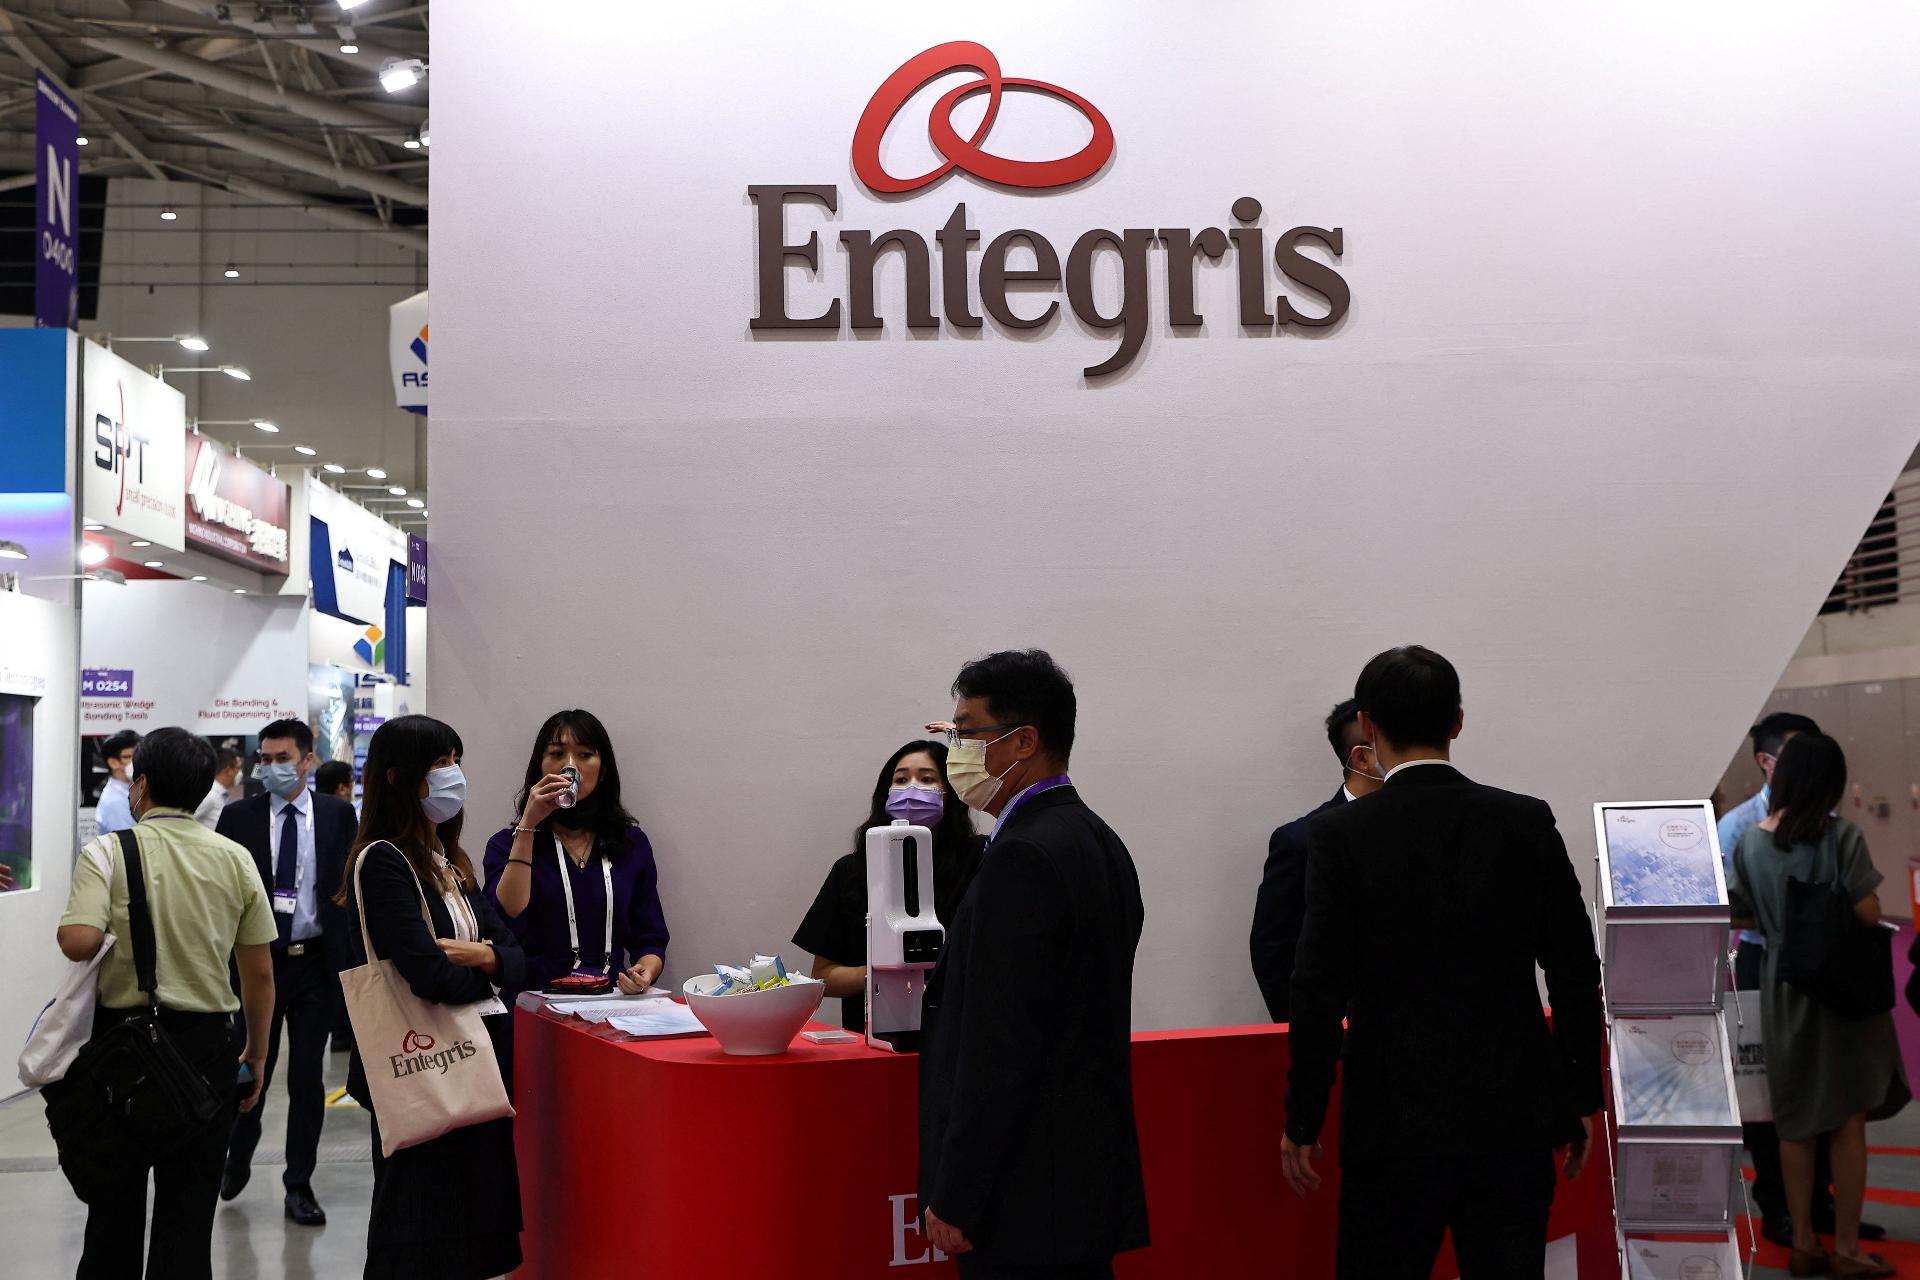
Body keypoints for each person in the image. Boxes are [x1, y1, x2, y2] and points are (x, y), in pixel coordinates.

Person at [1281, 646, 1604, 1278]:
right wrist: (1580, 1097)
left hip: (1391, 1125)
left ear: (1368, 726)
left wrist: (1303, 1117)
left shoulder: (1342, 835)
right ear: (1457, 721)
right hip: (1511, 1122)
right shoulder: (1525, 821)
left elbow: (1317, 986)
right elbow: (1573, 970)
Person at [917, 649, 1148, 1278]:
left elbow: (1000, 1042)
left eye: (967, 733)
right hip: (1077, 1180)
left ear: (1023, 742)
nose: (956, 751)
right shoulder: (1098, 839)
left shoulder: (1024, 856)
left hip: (1022, 1193)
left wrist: (957, 1190)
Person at [56, 726, 278, 1279]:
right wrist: (256, 1053)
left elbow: (78, 941)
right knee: (189, 1214)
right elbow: (259, 973)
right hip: (208, 1047)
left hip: (122, 1046)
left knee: (112, 1211)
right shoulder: (234, 858)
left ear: (143, 784)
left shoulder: (107, 851)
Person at [339, 714, 526, 1280]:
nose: (454, 774)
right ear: (399, 777)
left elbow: (516, 956)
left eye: (456, 761)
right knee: (419, 1232)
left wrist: (485, 957)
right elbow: (428, 975)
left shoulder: (450, 859)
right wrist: (490, 968)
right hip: (421, 1062)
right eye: (441, 763)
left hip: (474, 1063)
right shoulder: (383, 861)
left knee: (469, 1230)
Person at [1729, 733, 1907, 1279]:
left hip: (1784, 988)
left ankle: (1804, 1243)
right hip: (1841, 989)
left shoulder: (1751, 841)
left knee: (1795, 1122)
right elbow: (1866, 910)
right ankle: (1847, 1249)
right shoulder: (1842, 837)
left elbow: (1738, 911)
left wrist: (1780, 923)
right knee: (1848, 1121)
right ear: (1829, 783)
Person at [217, 719, 359, 1225]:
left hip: (315, 964)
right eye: (265, 759)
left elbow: (348, 888)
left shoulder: (337, 814)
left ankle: (298, 1183)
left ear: (306, 760)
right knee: (248, 1068)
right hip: (257, 963)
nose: (272, 768)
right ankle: (238, 1153)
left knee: (306, 1078)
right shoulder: (239, 818)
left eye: (282, 759)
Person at [794, 739, 985, 1030]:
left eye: (926, 779)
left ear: (951, 791)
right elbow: (824, 977)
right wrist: (884, 974)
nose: (911, 789)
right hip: (875, 1034)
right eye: (901, 780)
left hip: (954, 1032)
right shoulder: (852, 870)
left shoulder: (978, 859)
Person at [484, 709, 669, 994]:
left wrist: (645, 970)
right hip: (534, 1000)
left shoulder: (629, 843)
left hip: (608, 1000)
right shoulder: (505, 844)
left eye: (584, 754)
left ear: (603, 770)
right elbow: (507, 915)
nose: (570, 766)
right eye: (557, 754)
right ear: (540, 766)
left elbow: (650, 936)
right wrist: (528, 824)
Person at [1249, 699, 1385, 1021]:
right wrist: (1309, 1028)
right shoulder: (1301, 841)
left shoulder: (1419, 827)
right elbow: (1273, 949)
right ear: (1362, 757)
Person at [93, 728, 141, 835]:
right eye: (131, 756)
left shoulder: (132, 791)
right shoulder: (115, 803)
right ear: (113, 763)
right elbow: (130, 842)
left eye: (140, 755)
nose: (139, 760)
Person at [194, 746, 244, 830]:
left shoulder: (220, 794)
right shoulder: (209, 795)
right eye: (238, 768)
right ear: (228, 770)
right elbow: (182, 820)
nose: (240, 773)